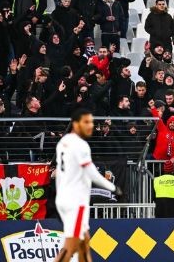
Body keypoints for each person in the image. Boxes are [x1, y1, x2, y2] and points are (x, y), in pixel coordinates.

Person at [54, 109, 121, 262]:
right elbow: (91, 173)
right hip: (75, 200)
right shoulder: (80, 145)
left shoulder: (63, 143)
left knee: (84, 241)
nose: (90, 126)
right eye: (86, 122)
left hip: (66, 198)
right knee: (71, 245)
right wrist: (113, 188)